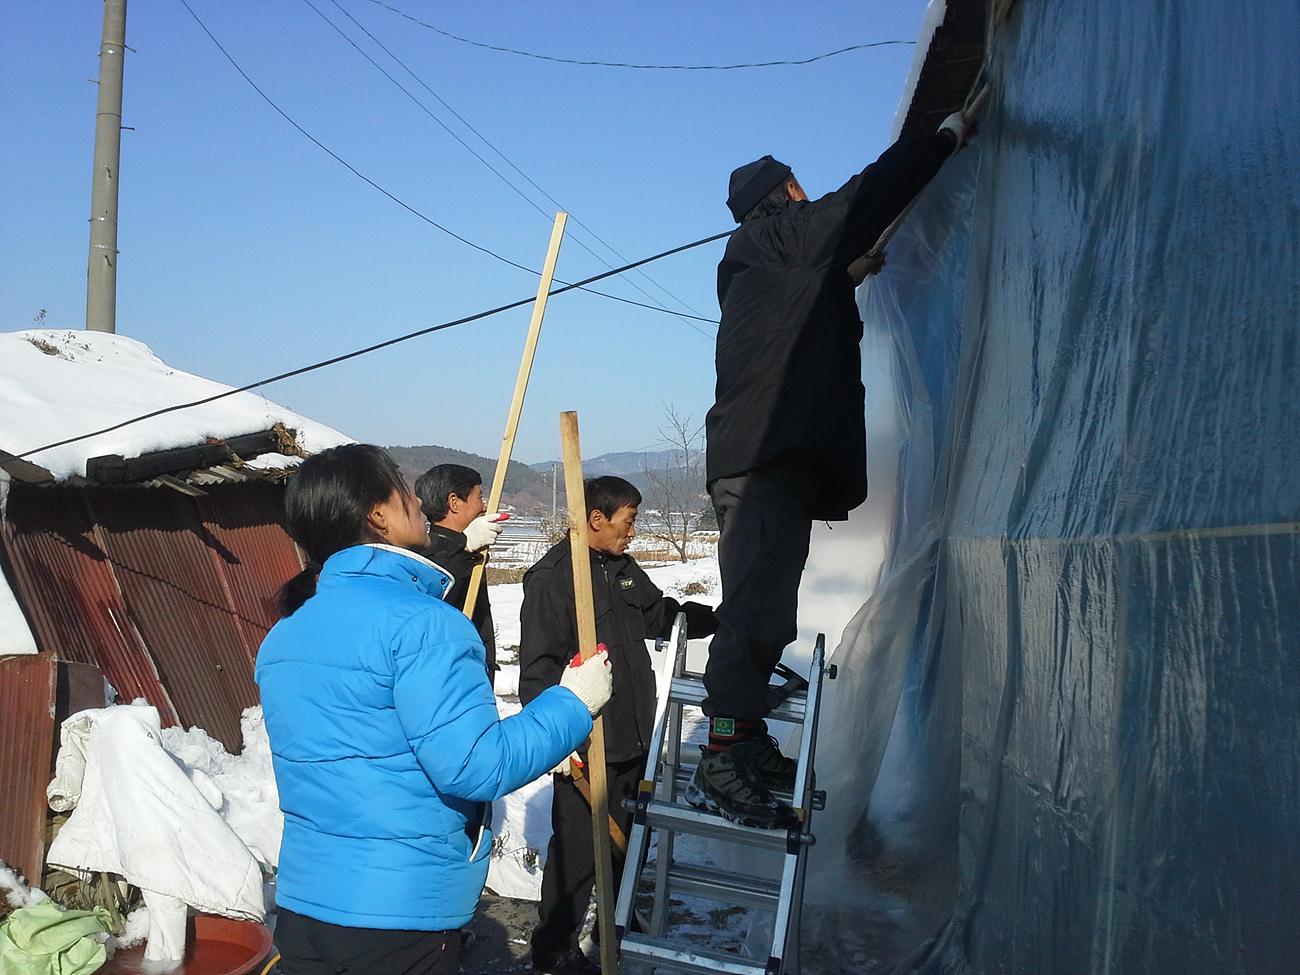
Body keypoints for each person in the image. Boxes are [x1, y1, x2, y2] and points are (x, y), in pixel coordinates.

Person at [692, 112, 976, 827]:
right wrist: (942, 138)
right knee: (753, 611)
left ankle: (746, 738)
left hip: (772, 460)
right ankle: (720, 757)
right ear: (787, 192)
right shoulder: (775, 237)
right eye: (800, 189)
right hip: (761, 460)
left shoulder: (764, 262)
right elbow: (863, 197)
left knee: (769, 610)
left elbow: (798, 319)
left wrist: (841, 277)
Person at [255, 444, 612, 975]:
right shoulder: (425, 623)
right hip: (400, 912)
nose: (419, 503)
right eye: (403, 489)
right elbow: (476, 766)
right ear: (376, 515)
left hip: (306, 907)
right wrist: (574, 702)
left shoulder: (286, 634)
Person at [518, 476, 717, 975]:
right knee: (577, 855)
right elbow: (538, 667)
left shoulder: (622, 569)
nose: (633, 531)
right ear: (596, 519)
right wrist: (554, 739)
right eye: (628, 521)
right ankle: (553, 952)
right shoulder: (555, 578)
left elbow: (658, 616)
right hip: (587, 743)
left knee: (626, 845)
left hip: (633, 736)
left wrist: (716, 618)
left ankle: (613, 935)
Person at [414, 463, 503, 679]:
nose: (483, 507)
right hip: (449, 677)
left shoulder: (466, 552)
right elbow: (434, 593)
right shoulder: (428, 552)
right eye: (478, 497)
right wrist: (464, 547)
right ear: (454, 502)